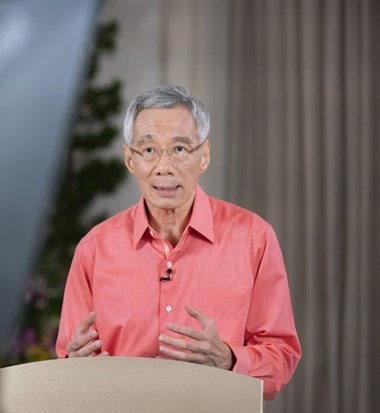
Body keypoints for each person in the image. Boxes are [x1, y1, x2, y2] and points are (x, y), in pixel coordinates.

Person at [55, 85, 301, 400]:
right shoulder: (94, 249)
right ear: (130, 160)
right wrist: (72, 366)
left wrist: (228, 359)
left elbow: (281, 358)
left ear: (205, 155)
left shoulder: (254, 238)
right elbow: (68, 361)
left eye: (180, 149)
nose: (164, 166)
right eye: (149, 150)